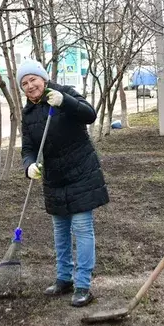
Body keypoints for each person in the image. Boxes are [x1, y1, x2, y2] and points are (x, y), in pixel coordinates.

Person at [19, 59, 108, 308]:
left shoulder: (64, 93)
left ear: (43, 78)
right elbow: (28, 147)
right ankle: (64, 278)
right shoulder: (28, 113)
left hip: (81, 172)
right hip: (54, 178)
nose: (30, 86)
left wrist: (65, 102)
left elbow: (89, 115)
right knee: (60, 230)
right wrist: (29, 165)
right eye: (24, 83)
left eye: (33, 79)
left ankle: (83, 286)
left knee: (81, 227)